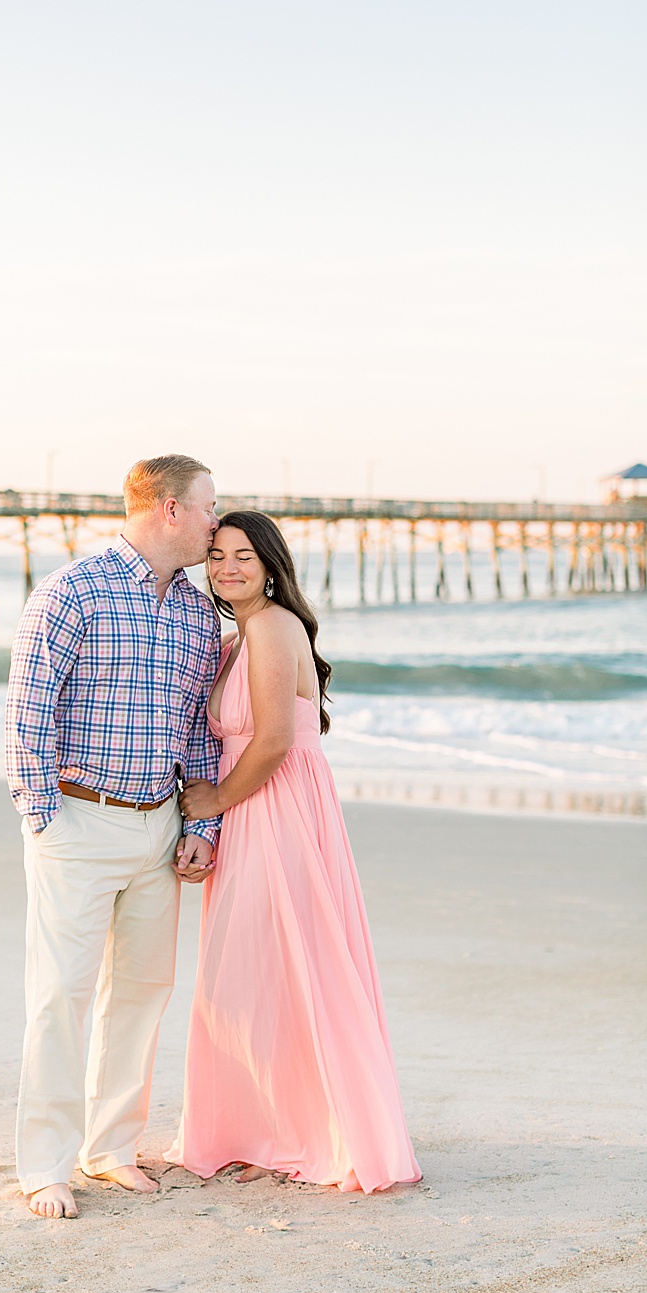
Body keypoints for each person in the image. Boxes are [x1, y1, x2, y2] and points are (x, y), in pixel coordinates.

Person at [166, 510, 421, 1193]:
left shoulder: (274, 627)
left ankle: (300, 1133)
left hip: (277, 807)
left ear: (272, 565)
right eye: (217, 555)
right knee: (255, 972)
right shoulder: (236, 637)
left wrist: (214, 803)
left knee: (284, 966)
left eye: (244, 556)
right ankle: (263, 1128)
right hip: (254, 805)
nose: (228, 568)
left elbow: (275, 739)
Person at [4, 454, 223, 1220]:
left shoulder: (199, 616)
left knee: (141, 992)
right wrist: (42, 815)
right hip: (78, 819)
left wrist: (201, 825)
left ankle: (111, 1148)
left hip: (159, 826)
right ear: (170, 509)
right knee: (60, 996)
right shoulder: (73, 591)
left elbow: (198, 733)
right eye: (208, 507)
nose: (216, 522)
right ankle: (45, 1166)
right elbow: (28, 710)